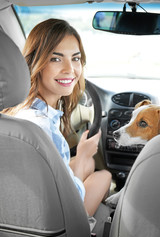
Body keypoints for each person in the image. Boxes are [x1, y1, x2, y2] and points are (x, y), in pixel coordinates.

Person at [2, 18, 112, 219]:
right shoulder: (43, 127)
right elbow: (72, 201)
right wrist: (83, 157)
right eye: (56, 58)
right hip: (59, 221)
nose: (70, 69)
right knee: (103, 175)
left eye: (76, 58)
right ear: (36, 62)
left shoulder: (13, 113)